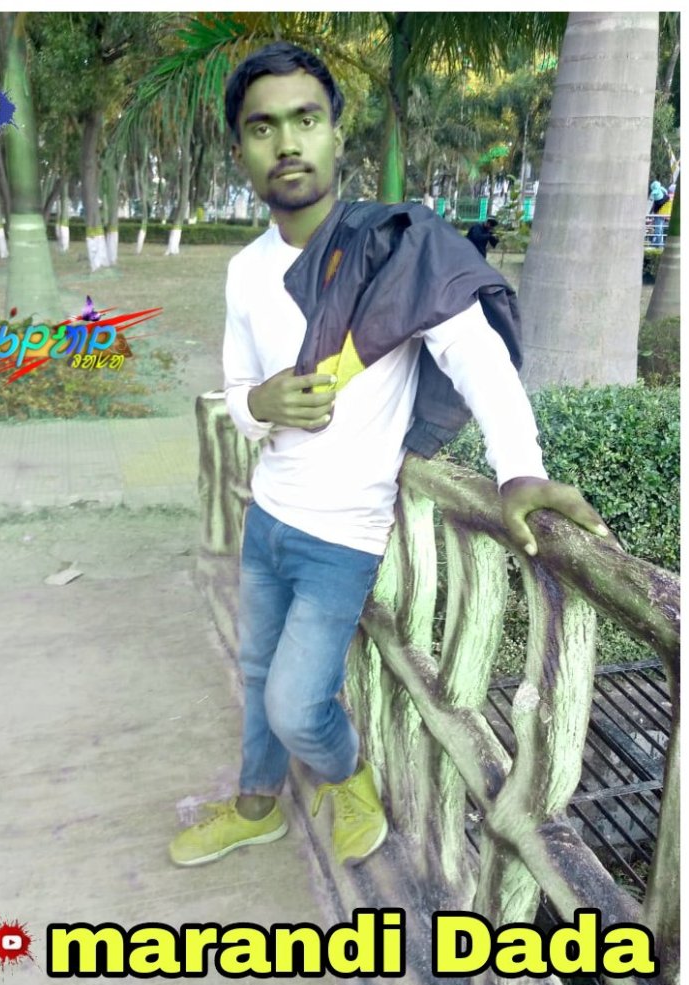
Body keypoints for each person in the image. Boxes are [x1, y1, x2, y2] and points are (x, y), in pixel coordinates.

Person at [168, 43, 610, 870]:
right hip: (268, 516)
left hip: (343, 534)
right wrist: (263, 405)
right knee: (258, 672)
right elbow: (235, 389)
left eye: (306, 119)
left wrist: (520, 467)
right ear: (240, 151)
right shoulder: (245, 271)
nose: (287, 142)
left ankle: (350, 778)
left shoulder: (396, 250)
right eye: (263, 128)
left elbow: (476, 357)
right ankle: (257, 806)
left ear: (338, 136)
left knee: (296, 704)